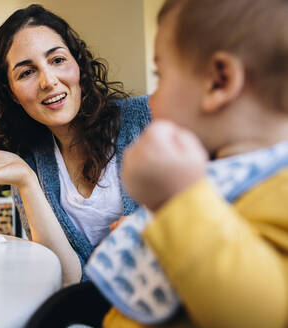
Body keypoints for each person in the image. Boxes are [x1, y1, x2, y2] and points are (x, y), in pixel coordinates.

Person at [86, 0, 288, 327]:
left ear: (218, 82)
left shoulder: (280, 187)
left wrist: (177, 200)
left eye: (161, 75)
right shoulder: (220, 174)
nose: (151, 99)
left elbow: (258, 316)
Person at [0, 3, 150, 285]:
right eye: (26, 73)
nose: (49, 81)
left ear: (78, 63)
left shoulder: (146, 118)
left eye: (57, 60)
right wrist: (26, 181)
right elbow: (65, 279)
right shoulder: (28, 160)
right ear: (13, 93)